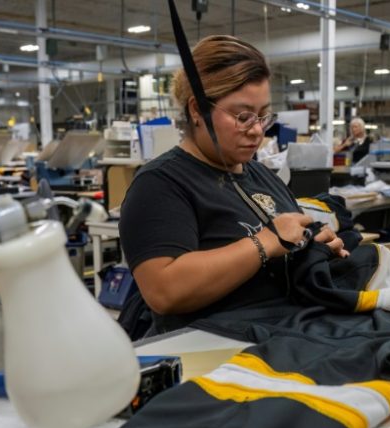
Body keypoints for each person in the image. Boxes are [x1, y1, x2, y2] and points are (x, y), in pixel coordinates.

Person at [119, 35, 348, 333]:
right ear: (197, 110)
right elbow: (164, 290)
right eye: (243, 116)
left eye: (263, 116)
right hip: (214, 350)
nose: (256, 130)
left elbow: (287, 245)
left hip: (287, 331)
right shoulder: (159, 184)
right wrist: (265, 242)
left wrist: (315, 249)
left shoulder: (261, 175)